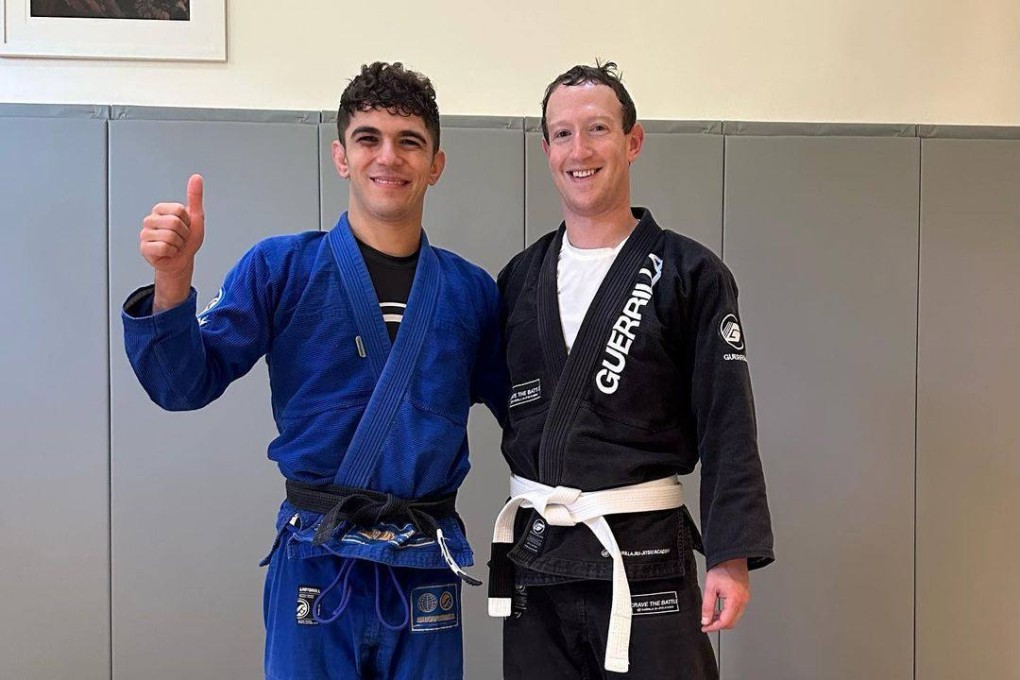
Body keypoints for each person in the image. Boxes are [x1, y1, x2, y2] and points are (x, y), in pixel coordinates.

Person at [122, 61, 504, 680]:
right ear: (341, 157)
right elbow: (182, 383)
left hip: (424, 560)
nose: (389, 157)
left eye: (410, 141)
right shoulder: (282, 269)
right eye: (368, 138)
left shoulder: (471, 292)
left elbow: (530, 411)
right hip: (317, 555)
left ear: (436, 164)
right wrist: (173, 281)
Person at [488, 62, 774, 679]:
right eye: (562, 134)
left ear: (633, 141)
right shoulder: (519, 280)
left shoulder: (690, 274)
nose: (579, 150)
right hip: (538, 561)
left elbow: (728, 419)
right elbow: (503, 403)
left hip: (645, 557)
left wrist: (731, 555)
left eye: (597, 129)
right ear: (546, 150)